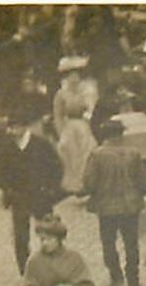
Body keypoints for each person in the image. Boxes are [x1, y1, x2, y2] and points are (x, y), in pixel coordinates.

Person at [0, 108, 63, 273]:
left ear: (25, 127)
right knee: (21, 237)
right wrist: (7, 189)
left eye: (17, 127)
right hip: (19, 197)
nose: (13, 131)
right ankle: (25, 272)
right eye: (11, 127)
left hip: (41, 195)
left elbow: (56, 167)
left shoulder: (40, 144)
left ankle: (52, 267)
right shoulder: (8, 147)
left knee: (48, 232)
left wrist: (51, 190)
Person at [78, 118, 146, 286]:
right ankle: (134, 280)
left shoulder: (97, 154)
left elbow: (89, 183)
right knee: (131, 242)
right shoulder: (133, 152)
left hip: (106, 206)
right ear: (121, 134)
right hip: (131, 205)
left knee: (109, 243)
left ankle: (116, 278)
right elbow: (142, 181)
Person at [52, 56, 99, 194]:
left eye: (77, 76)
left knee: (89, 149)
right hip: (69, 126)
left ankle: (88, 183)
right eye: (71, 76)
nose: (74, 79)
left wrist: (88, 118)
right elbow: (58, 114)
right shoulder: (61, 94)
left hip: (85, 125)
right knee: (67, 149)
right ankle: (75, 185)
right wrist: (60, 131)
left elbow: (92, 108)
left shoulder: (88, 91)